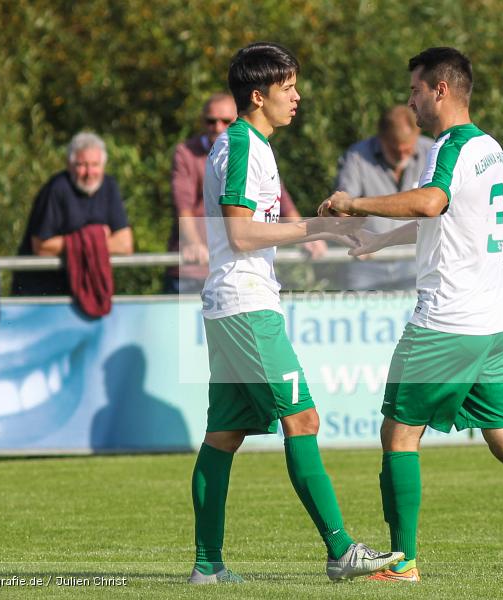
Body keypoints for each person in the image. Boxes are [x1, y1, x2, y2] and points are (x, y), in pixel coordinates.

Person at [321, 46, 503, 582]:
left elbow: (431, 203)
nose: (410, 101)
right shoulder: (489, 148)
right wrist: (380, 241)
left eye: (415, 90)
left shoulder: (447, 146)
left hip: (446, 322)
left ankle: (402, 561)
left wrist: (356, 203)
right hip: (494, 323)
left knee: (399, 436)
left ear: (441, 90)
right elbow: (449, 217)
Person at [188, 41, 401, 585]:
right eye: (287, 89)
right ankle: (340, 551)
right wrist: (317, 227)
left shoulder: (248, 144)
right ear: (258, 96)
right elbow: (239, 233)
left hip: (232, 305)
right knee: (302, 419)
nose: (296, 97)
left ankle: (208, 566)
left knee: (224, 436)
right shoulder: (242, 146)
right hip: (245, 306)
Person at [167, 93, 325, 294]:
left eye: (225, 121)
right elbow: (185, 207)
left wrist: (309, 234)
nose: (217, 127)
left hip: (242, 270)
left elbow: (279, 199)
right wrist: (194, 243)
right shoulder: (187, 153)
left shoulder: (254, 146)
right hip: (195, 268)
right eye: (211, 121)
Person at [12, 132, 133, 296]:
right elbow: (41, 246)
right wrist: (95, 237)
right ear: (69, 165)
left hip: (90, 293)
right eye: (82, 165)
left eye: (95, 165)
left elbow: (125, 245)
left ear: (103, 166)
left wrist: (80, 242)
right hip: (43, 295)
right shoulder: (56, 189)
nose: (89, 172)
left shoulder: (109, 187)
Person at [334, 105, 433, 290]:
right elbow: (342, 203)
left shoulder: (432, 152)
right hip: (368, 261)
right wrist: (355, 236)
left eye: (408, 150)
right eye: (396, 150)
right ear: (381, 139)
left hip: (416, 259)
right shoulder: (357, 157)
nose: (403, 156)